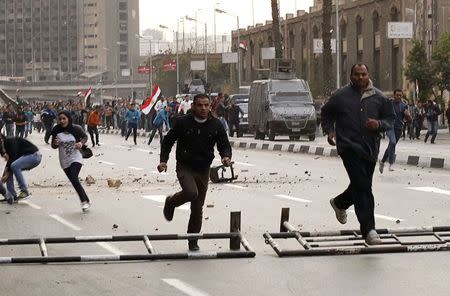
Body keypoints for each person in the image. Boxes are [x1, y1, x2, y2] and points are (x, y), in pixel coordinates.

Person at [321, 63, 395, 245]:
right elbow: (326, 112)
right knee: (363, 187)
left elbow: (390, 118)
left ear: (368, 75)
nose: (360, 78)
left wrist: (378, 124)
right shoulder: (340, 96)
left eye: (363, 74)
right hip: (348, 147)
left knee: (361, 185)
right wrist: (329, 130)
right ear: (350, 76)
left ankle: (340, 203)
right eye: (356, 75)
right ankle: (369, 230)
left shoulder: (379, 97)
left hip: (370, 149)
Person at [158, 94, 232, 251]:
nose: (203, 108)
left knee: (198, 208)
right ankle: (171, 202)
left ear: (210, 107)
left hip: (203, 168)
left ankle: (193, 240)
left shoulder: (215, 124)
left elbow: (224, 144)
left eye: (206, 105)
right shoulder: (183, 122)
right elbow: (168, 141)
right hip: (185, 166)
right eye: (200, 105)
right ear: (193, 106)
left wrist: (226, 157)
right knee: (191, 192)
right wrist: (163, 160)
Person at [51, 111, 91, 212]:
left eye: (64, 118)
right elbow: (53, 145)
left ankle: (84, 202)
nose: (62, 121)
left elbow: (85, 137)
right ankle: (87, 200)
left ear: (68, 118)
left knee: (74, 177)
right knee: (74, 181)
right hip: (64, 160)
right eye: (60, 119)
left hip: (76, 157)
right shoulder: (56, 129)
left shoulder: (76, 128)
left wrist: (81, 143)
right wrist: (55, 143)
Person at [0, 134, 42, 204]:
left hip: (34, 156)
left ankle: (24, 191)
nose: (4, 156)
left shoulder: (10, 141)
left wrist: (6, 174)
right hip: (26, 157)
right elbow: (9, 162)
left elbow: (13, 158)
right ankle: (11, 196)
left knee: (13, 166)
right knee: (10, 169)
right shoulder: (4, 145)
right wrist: (5, 175)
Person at [379, 89, 410, 173]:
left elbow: (408, 119)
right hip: (389, 126)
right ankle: (391, 163)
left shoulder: (404, 105)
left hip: (399, 128)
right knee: (392, 142)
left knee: (391, 146)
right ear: (394, 95)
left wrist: (407, 115)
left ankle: (382, 162)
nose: (399, 97)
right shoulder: (389, 103)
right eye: (397, 95)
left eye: (400, 95)